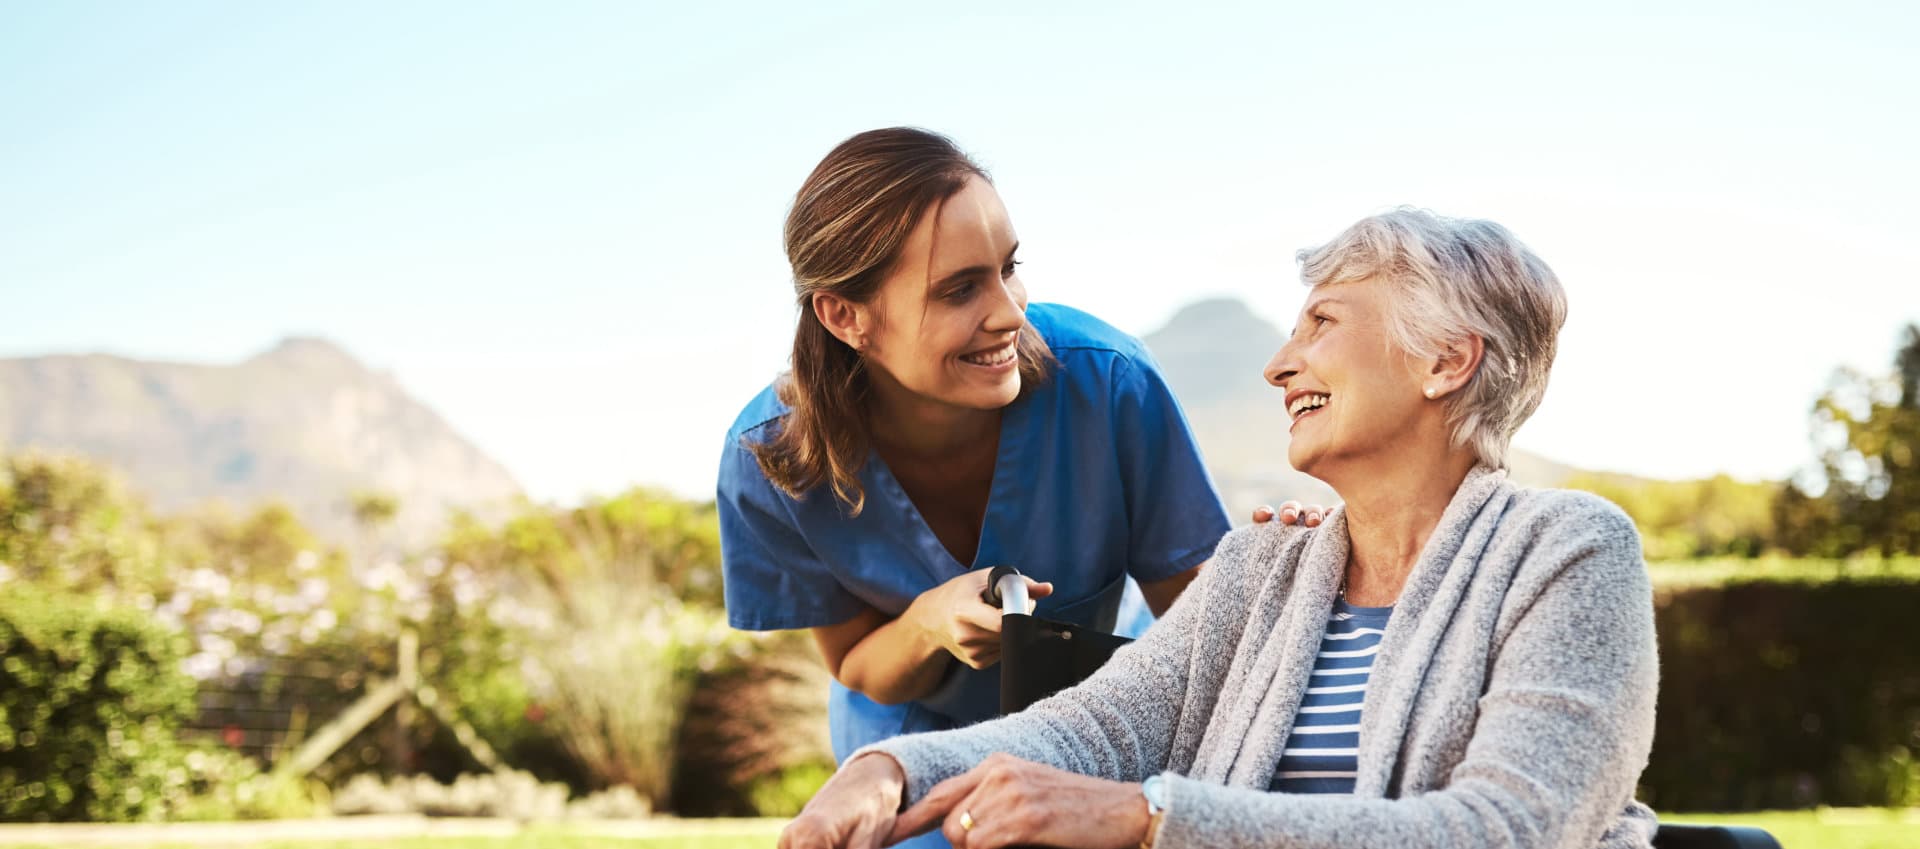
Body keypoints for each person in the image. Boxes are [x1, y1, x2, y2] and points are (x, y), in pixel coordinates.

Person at [779, 208, 1661, 849]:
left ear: (1446, 360)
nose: (1280, 364)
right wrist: (886, 769)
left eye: (1321, 323)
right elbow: (1087, 729)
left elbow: (1511, 829)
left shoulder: (1569, 551)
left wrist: (1148, 816)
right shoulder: (1261, 569)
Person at [718, 128, 1318, 846]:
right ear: (845, 316)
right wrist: (927, 622)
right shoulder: (771, 457)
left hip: (1092, 723)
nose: (1009, 313)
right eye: (960, 289)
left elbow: (1207, 637)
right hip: (909, 745)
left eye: (1009, 269)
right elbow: (855, 663)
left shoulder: (1108, 383)